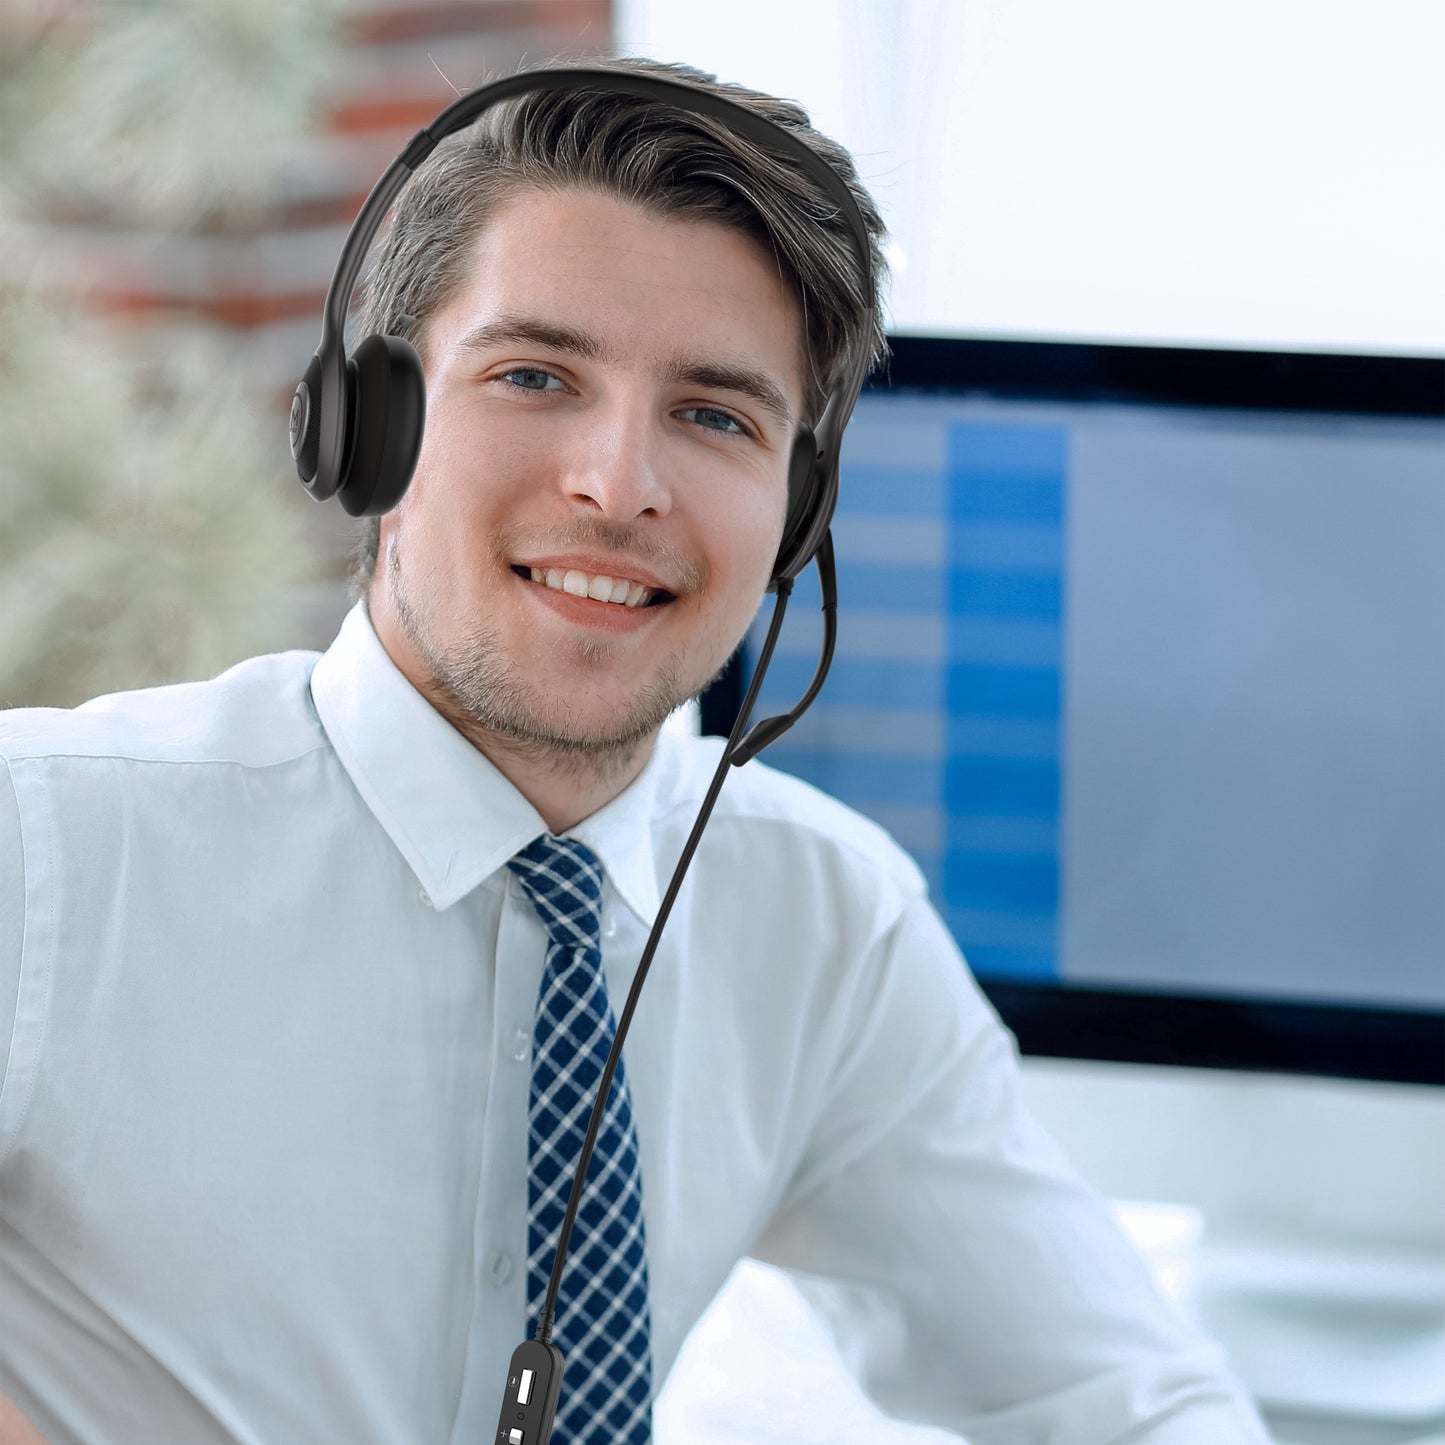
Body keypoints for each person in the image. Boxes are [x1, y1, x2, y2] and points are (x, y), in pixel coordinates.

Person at [0, 56, 1268, 1444]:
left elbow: (1122, 1399)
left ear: (796, 516)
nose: (618, 484)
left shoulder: (821, 923)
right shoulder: (50, 848)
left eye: (714, 413)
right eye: (534, 375)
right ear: (368, 427)